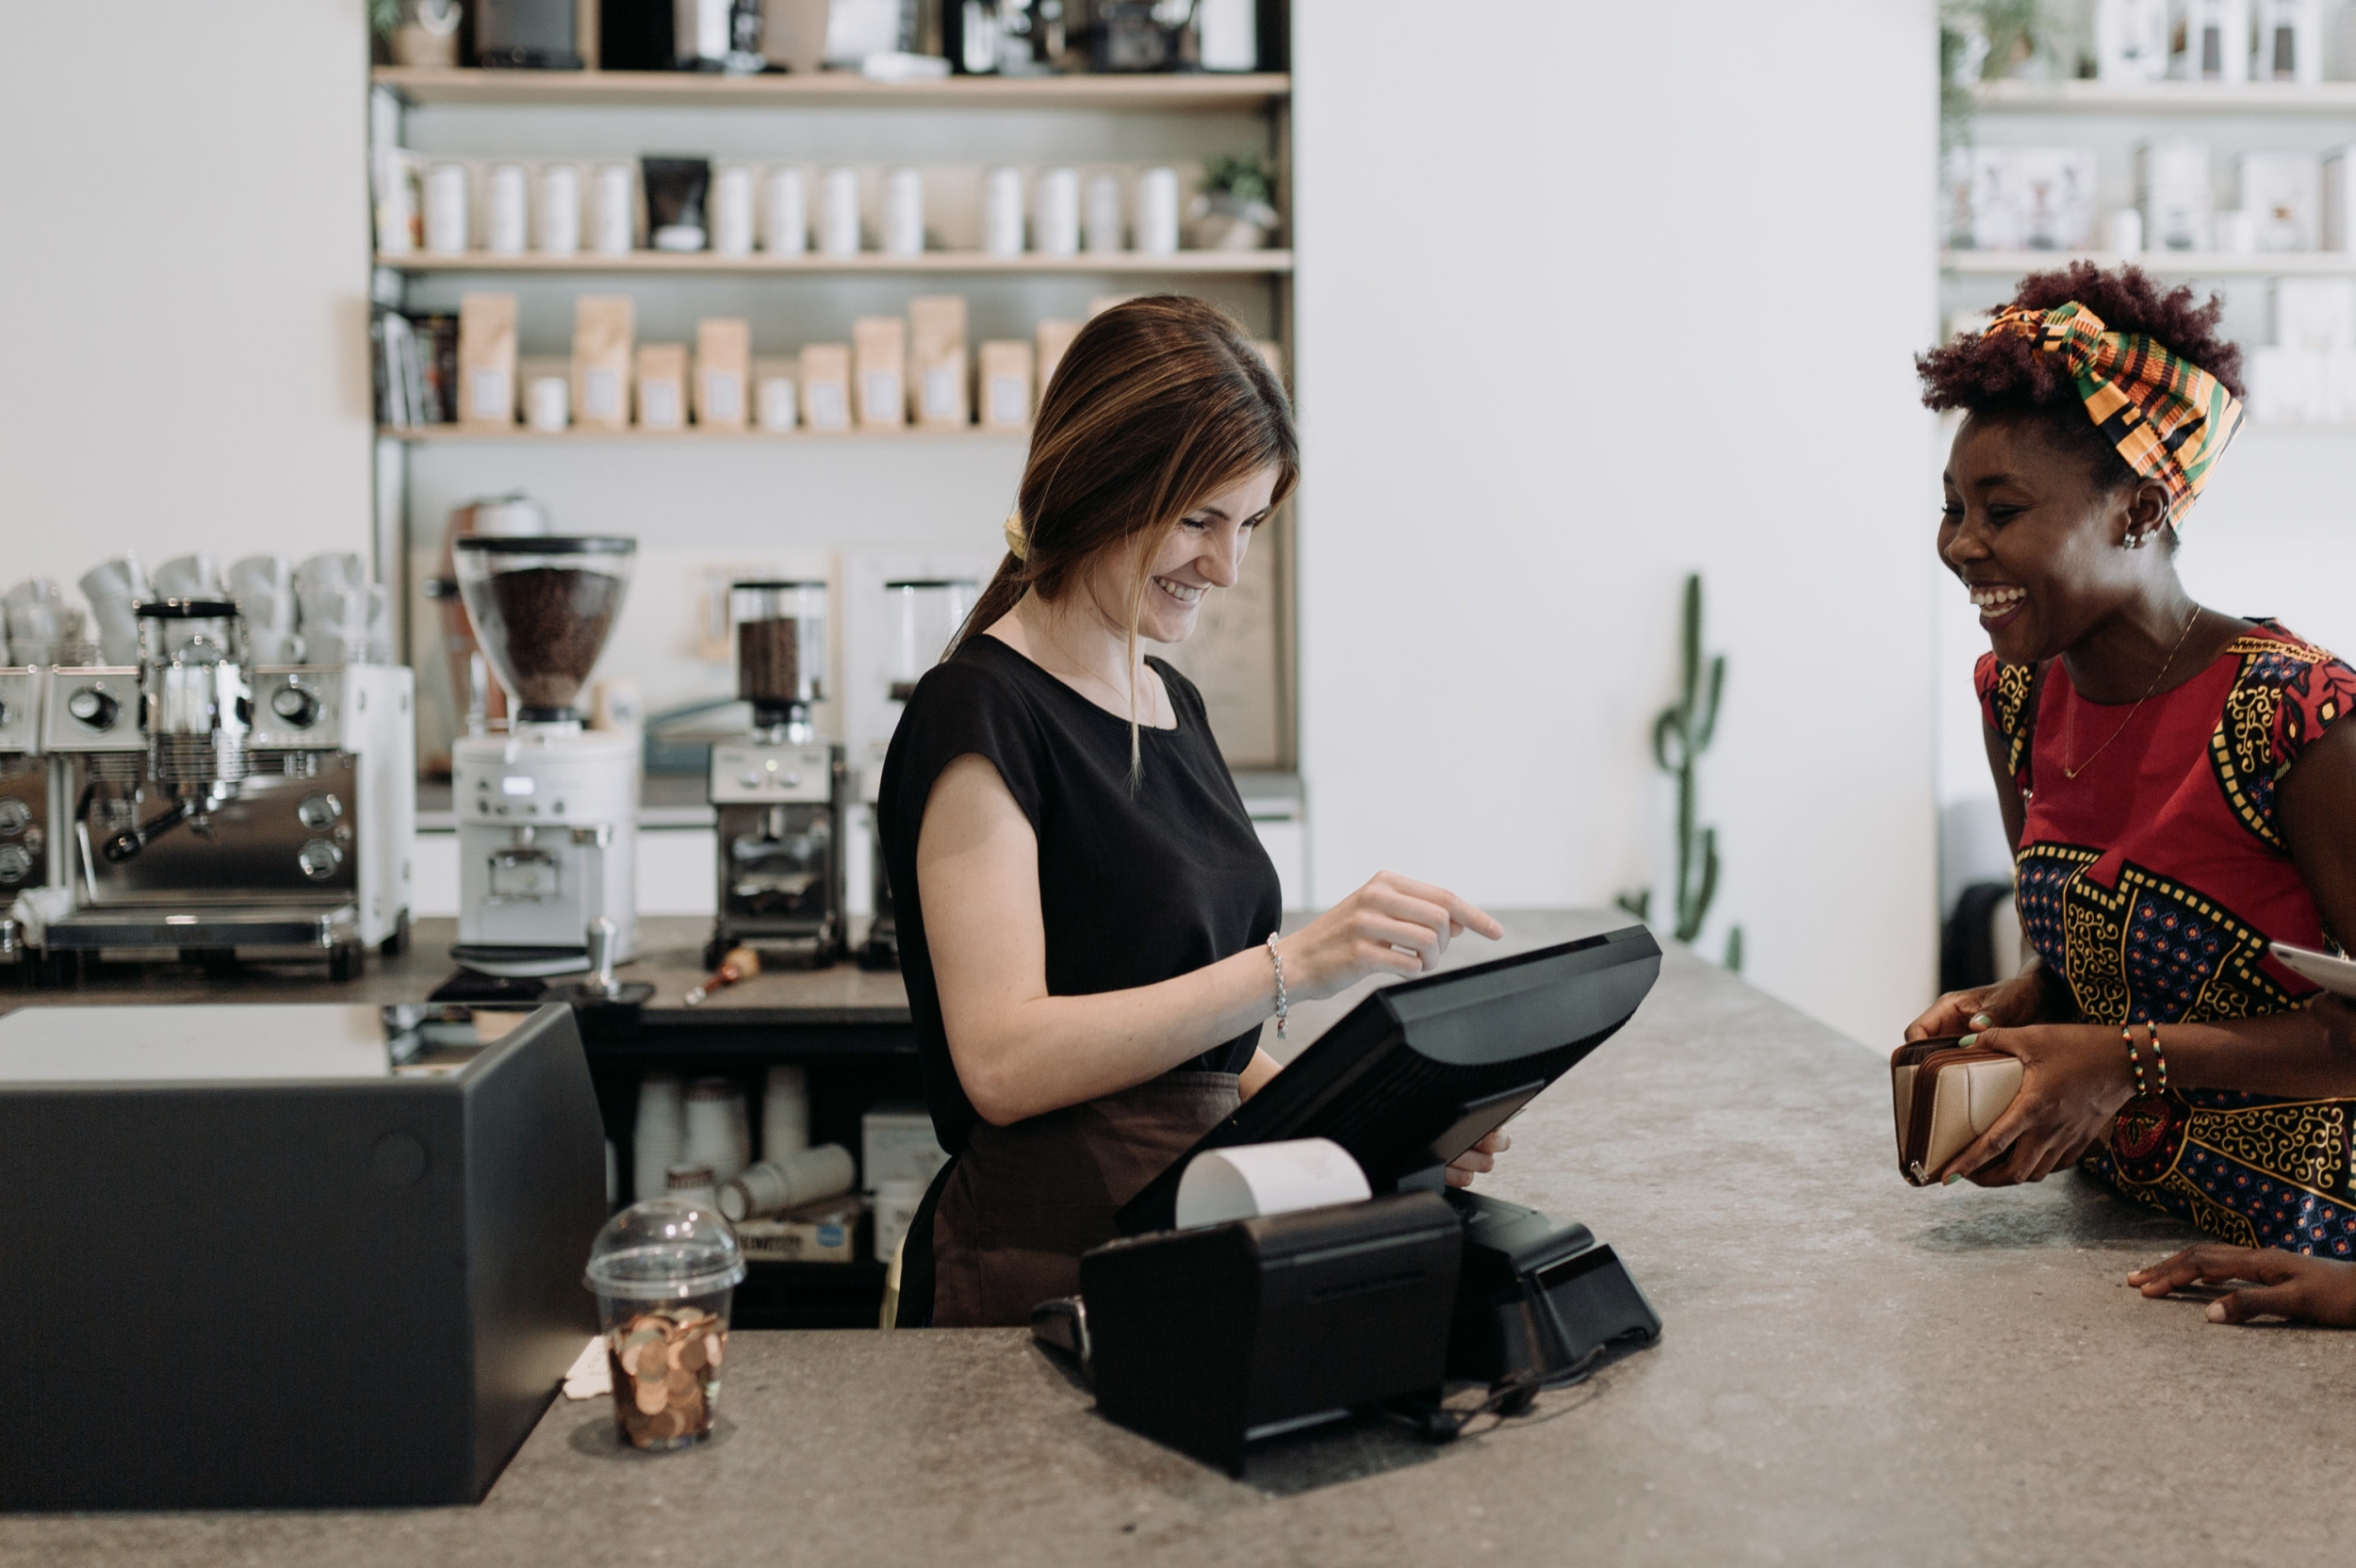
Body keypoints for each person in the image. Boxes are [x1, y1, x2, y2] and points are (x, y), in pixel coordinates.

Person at [877, 296, 1505, 1328]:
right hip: (1047, 1270)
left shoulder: (1169, 699)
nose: (1227, 566)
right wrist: (1291, 966)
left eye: (1249, 522)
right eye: (1200, 519)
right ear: (1093, 481)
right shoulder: (978, 709)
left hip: (1189, 1231)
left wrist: (1357, 1125)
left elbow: (1188, 1042)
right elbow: (1000, 1060)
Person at [1904, 262, 2356, 1266]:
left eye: (2002, 508)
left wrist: (2121, 1058)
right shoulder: (2017, 696)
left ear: (2140, 513)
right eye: (1951, 508)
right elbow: (2096, 967)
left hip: (2307, 1261)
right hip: (2113, 1235)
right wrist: (2025, 1000)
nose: (1961, 545)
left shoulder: (2299, 717)